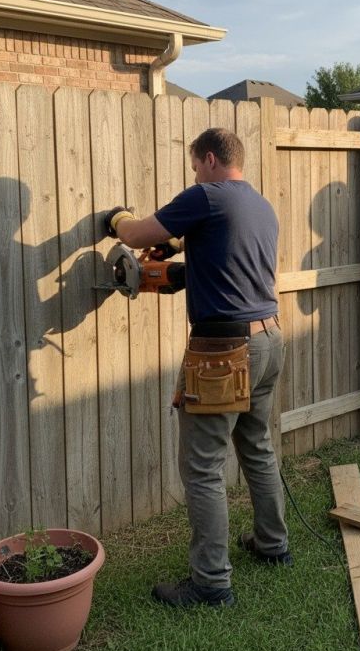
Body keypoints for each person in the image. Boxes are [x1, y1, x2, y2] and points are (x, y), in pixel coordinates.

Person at [104, 127, 290, 608]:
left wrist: (118, 219)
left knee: (203, 467)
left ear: (209, 159)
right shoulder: (259, 206)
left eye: (193, 164)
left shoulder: (205, 196)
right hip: (269, 336)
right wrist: (181, 253)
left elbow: (138, 234)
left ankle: (211, 583)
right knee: (258, 447)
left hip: (223, 349)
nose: (193, 173)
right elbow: (229, 255)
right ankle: (273, 546)